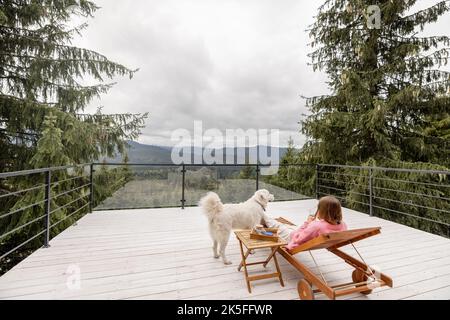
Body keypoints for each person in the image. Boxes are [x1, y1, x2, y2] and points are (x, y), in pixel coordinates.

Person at [263, 195, 348, 250]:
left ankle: (263, 216)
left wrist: (307, 223)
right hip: (312, 238)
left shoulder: (317, 226)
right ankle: (266, 219)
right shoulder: (343, 225)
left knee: (277, 225)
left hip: (291, 237)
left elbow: (298, 239)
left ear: (322, 211)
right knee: (286, 226)